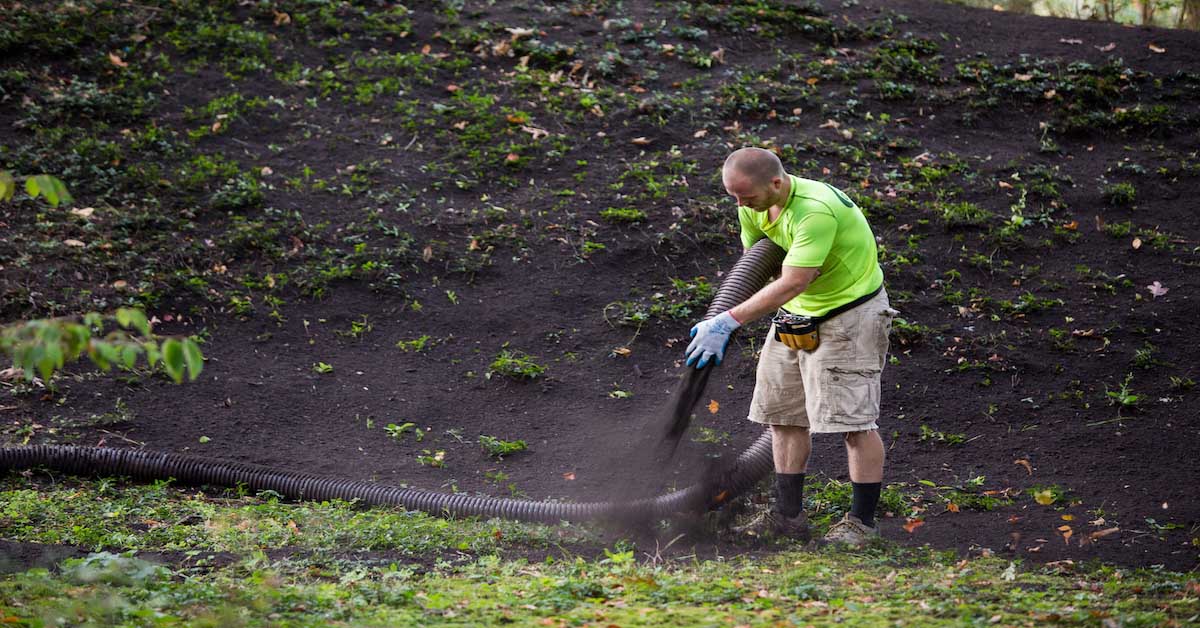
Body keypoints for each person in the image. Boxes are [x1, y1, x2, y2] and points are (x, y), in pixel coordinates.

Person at [684, 147, 897, 547]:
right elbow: (759, 264)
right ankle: (786, 518)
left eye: (745, 196)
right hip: (796, 314)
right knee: (781, 417)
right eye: (734, 196)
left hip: (848, 314)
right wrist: (727, 316)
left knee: (853, 422)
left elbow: (795, 279)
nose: (740, 205)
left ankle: (862, 524)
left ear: (777, 183)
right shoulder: (752, 205)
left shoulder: (815, 210)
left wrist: (729, 320)